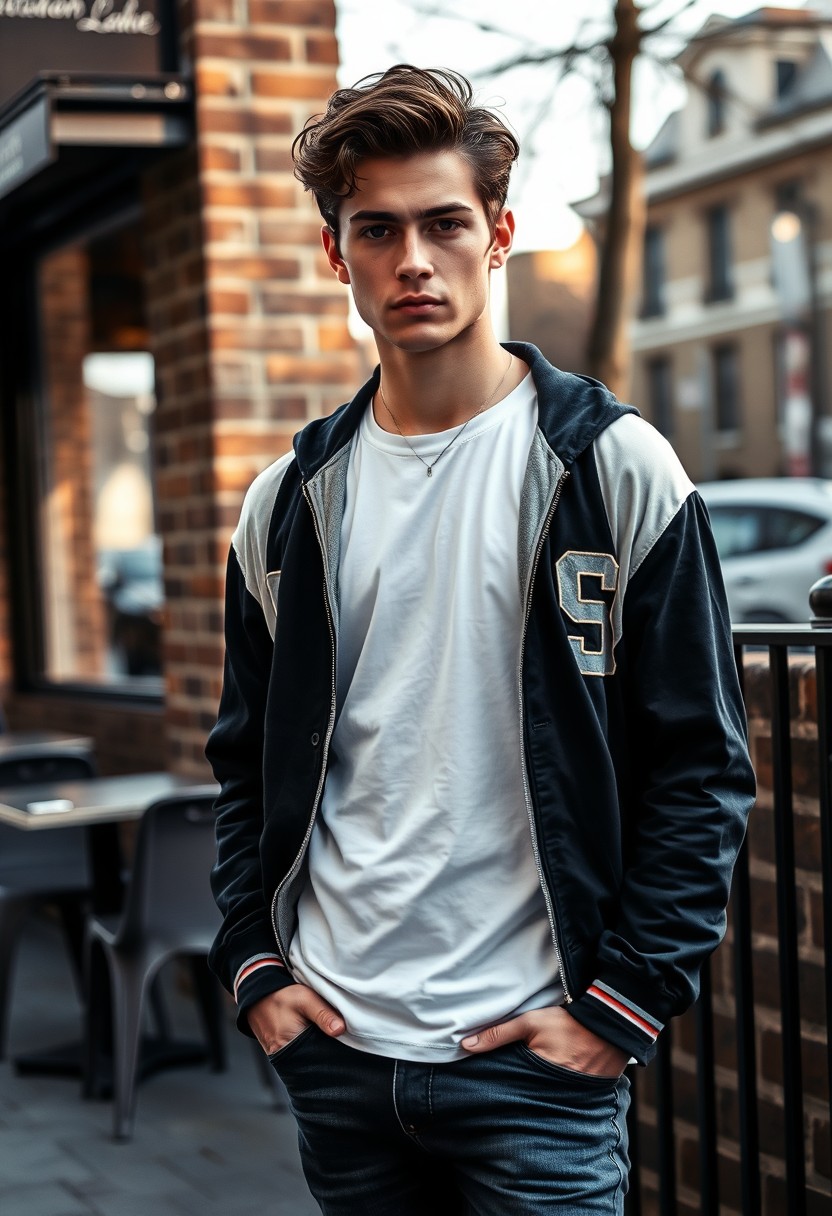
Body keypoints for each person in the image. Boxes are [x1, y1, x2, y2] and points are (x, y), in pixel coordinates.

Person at [207, 65, 755, 1215]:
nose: (413, 258)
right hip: (337, 1049)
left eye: (444, 222)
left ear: (498, 235)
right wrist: (257, 967)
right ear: (336, 252)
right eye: (378, 228)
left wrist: (622, 1007)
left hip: (535, 1064)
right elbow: (242, 764)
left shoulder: (614, 468)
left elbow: (701, 770)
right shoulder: (286, 504)